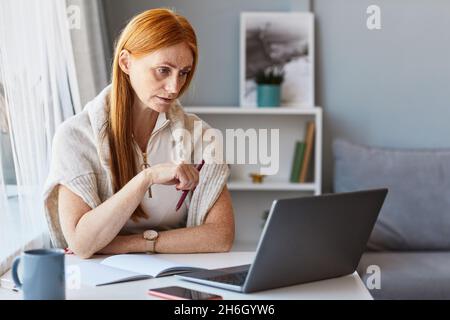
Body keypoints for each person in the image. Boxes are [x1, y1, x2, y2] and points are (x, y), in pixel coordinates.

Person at [43, 8, 234, 259]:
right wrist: (147, 177)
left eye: (183, 73)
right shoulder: (75, 137)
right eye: (163, 70)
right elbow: (81, 242)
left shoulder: (201, 137)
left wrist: (130, 244)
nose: (174, 87)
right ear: (126, 63)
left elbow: (220, 236)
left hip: (175, 276)